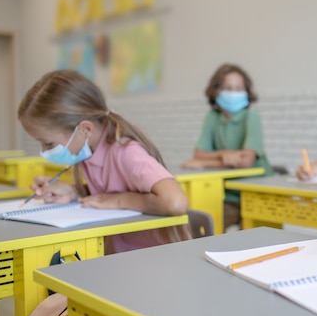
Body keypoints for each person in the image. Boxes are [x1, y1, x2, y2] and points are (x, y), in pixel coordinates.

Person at [18, 70, 192, 254]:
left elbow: (175, 202)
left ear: (85, 129)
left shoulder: (126, 152)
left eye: (48, 143)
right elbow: (108, 189)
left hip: (159, 258)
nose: (44, 151)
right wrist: (75, 191)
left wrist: (119, 201)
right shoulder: (88, 152)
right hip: (123, 256)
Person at [181, 63, 273, 230]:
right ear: (216, 91)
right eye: (228, 88)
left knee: (253, 238)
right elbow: (199, 153)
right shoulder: (212, 117)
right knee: (203, 225)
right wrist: (225, 155)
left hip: (256, 193)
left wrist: (205, 163)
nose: (233, 93)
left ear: (247, 92)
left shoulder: (251, 116)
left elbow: (246, 162)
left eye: (238, 88)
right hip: (227, 195)